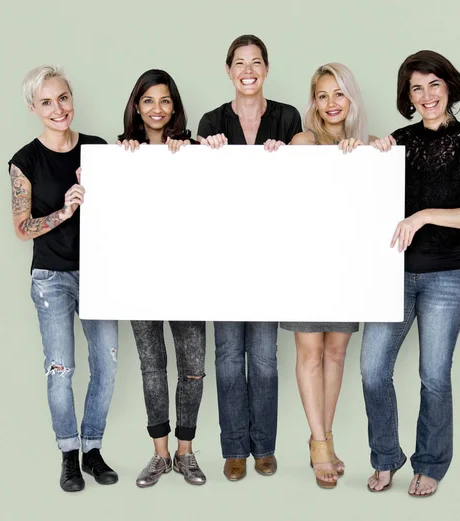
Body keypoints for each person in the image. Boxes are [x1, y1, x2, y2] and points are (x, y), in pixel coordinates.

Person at [361, 50, 460, 497]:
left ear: (449, 87)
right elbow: (365, 196)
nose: (426, 96)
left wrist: (423, 215)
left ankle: (430, 464)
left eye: (434, 85)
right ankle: (385, 458)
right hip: (393, 275)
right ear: (408, 95)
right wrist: (372, 154)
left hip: (448, 277)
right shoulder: (397, 141)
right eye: (416, 88)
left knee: (434, 375)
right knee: (372, 370)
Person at [8, 65, 119, 492]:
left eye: (64, 98)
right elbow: (22, 228)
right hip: (51, 277)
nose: (59, 109)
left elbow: (120, 210)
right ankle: (69, 454)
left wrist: (105, 192)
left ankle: (93, 449)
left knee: (106, 366)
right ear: (34, 108)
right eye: (47, 102)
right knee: (61, 369)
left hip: (99, 273)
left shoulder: (96, 149)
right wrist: (65, 211)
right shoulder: (25, 160)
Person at [197, 34, 302, 481]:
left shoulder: (287, 116)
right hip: (223, 258)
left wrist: (291, 155)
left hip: (270, 258)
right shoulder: (211, 120)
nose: (248, 70)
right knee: (226, 356)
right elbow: (196, 190)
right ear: (228, 70)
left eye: (255, 62)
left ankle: (264, 447)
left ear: (266, 67)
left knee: (262, 357)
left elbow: (310, 172)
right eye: (239, 63)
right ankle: (234, 448)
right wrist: (207, 151)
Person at [281, 62, 373, 488]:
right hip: (305, 263)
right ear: (314, 103)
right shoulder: (304, 141)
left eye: (339, 93)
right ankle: (319, 445)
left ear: (350, 98)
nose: (331, 103)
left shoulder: (369, 145)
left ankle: (325, 439)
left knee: (336, 354)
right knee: (310, 354)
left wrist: (379, 151)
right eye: (322, 95)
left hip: (347, 267)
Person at [117, 69, 207, 487]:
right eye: (149, 100)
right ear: (137, 106)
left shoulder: (191, 150)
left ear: (175, 107)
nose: (157, 109)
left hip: (187, 278)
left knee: (192, 368)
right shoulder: (120, 155)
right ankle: (160, 454)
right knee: (153, 367)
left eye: (165, 100)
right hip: (141, 280)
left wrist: (197, 151)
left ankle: (186, 453)